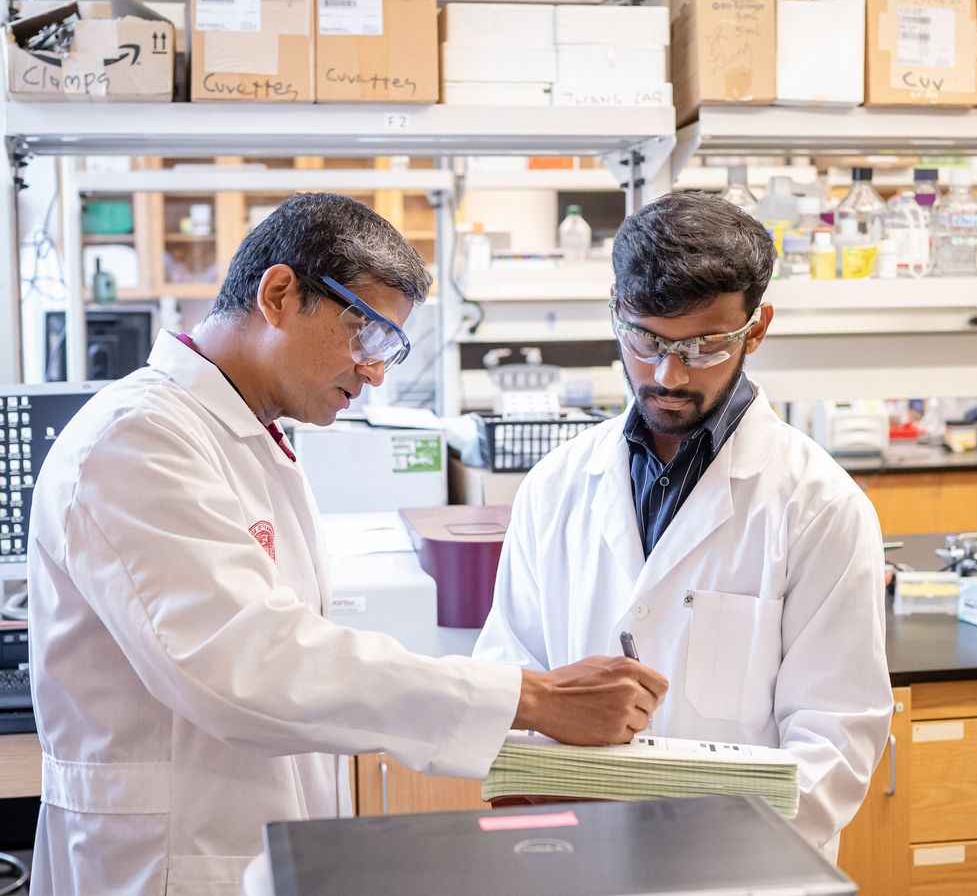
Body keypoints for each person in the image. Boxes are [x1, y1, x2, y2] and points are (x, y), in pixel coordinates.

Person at [27, 193, 668, 896]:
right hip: (167, 863)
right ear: (279, 294)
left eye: (390, 349)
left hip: (247, 847)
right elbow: (247, 667)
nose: (375, 372)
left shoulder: (250, 437)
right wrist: (530, 696)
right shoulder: (135, 439)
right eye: (367, 337)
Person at [474, 191, 892, 859]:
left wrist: (696, 852)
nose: (668, 373)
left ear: (756, 329)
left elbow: (835, 743)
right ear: (615, 307)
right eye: (645, 339)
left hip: (740, 868)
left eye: (704, 346)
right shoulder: (553, 489)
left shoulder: (819, 507)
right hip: (579, 861)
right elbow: (509, 682)